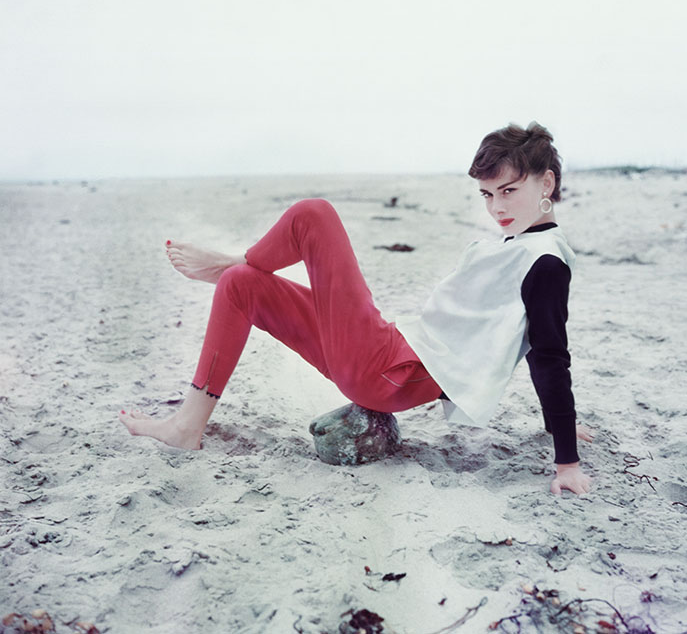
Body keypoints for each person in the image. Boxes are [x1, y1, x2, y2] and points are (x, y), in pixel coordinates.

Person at [119, 122, 593, 496]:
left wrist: (567, 460)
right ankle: (187, 426)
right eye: (487, 195)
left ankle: (228, 260)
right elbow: (530, 341)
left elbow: (549, 354)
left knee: (314, 215)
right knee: (243, 286)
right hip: (386, 357)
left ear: (546, 181)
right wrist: (559, 426)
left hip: (389, 369)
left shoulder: (545, 263)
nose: (496, 208)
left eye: (508, 191)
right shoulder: (522, 247)